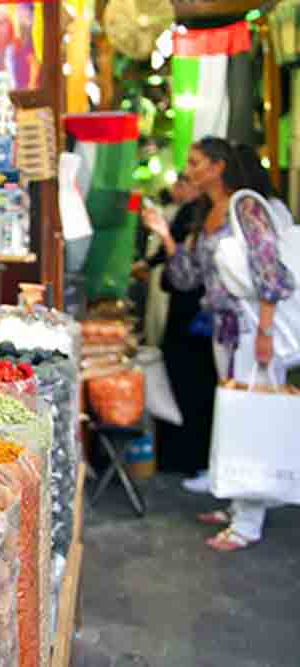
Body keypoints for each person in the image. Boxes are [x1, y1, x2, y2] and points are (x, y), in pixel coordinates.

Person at [142, 137, 296, 552]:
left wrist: (264, 332)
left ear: (218, 166)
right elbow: (191, 278)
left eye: (195, 162)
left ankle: (248, 522)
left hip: (250, 328)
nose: (188, 169)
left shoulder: (245, 208)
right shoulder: (207, 214)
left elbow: (272, 273)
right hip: (222, 328)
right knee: (233, 412)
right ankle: (235, 503)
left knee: (252, 415)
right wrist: (165, 238)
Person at [135, 174, 218, 489]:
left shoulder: (207, 215)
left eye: (196, 168)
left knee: (192, 384)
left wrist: (165, 239)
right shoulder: (197, 213)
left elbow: (186, 273)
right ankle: (186, 457)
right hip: (191, 314)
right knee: (189, 383)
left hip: (196, 316)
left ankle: (192, 459)